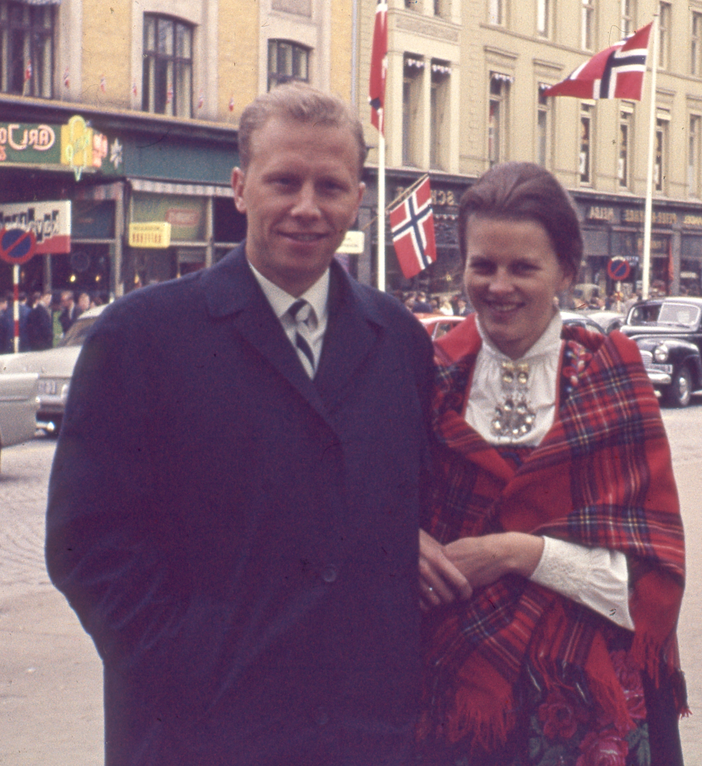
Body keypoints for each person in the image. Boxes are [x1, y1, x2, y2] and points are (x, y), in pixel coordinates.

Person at [46, 83, 434, 764]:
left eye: (331, 186)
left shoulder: (398, 338)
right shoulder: (141, 336)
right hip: (199, 734)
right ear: (240, 187)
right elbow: (87, 540)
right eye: (284, 181)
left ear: (358, 199)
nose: (307, 208)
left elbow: (413, 500)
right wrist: (189, 662)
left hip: (368, 733)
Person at [416, 162, 688, 766]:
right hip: (455, 693)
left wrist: (512, 552)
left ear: (566, 271)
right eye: (482, 265)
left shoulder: (611, 375)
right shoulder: (426, 376)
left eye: (523, 267)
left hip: (590, 707)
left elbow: (643, 581)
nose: (499, 285)